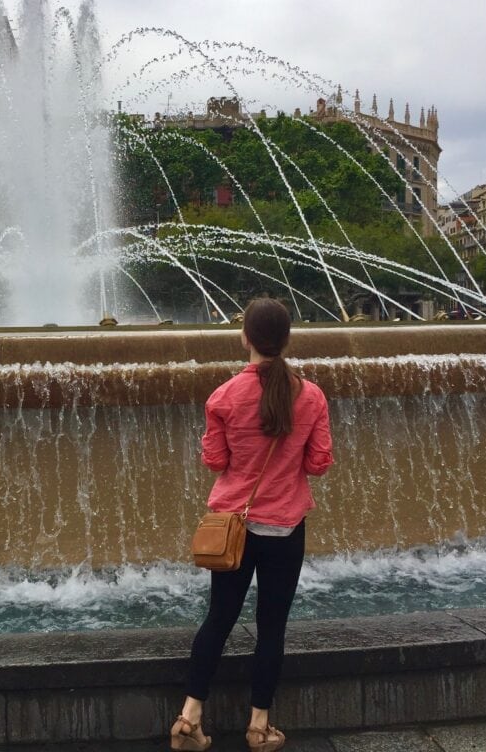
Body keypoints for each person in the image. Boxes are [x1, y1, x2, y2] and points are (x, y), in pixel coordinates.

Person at [171, 298, 334, 752]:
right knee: (272, 627)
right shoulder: (312, 395)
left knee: (218, 620)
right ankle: (259, 727)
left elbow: (215, 461)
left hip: (233, 529)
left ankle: (189, 717)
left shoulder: (223, 396)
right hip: (285, 527)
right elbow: (319, 464)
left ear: (245, 336)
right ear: (286, 340)